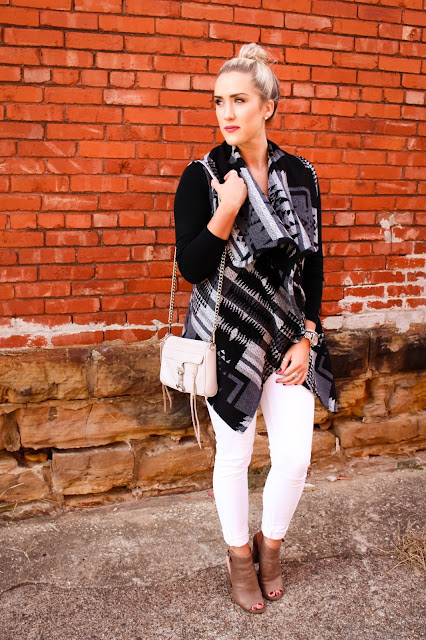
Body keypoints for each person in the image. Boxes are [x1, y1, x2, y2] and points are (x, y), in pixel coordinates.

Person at [173, 43, 338, 614]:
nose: (226, 112)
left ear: (268, 106)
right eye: (219, 101)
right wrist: (227, 207)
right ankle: (239, 558)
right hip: (227, 339)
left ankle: (271, 547)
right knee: (234, 456)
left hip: (289, 337)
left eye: (239, 100)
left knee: (294, 459)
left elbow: (314, 263)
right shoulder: (202, 176)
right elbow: (192, 267)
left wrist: (308, 336)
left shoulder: (300, 174)